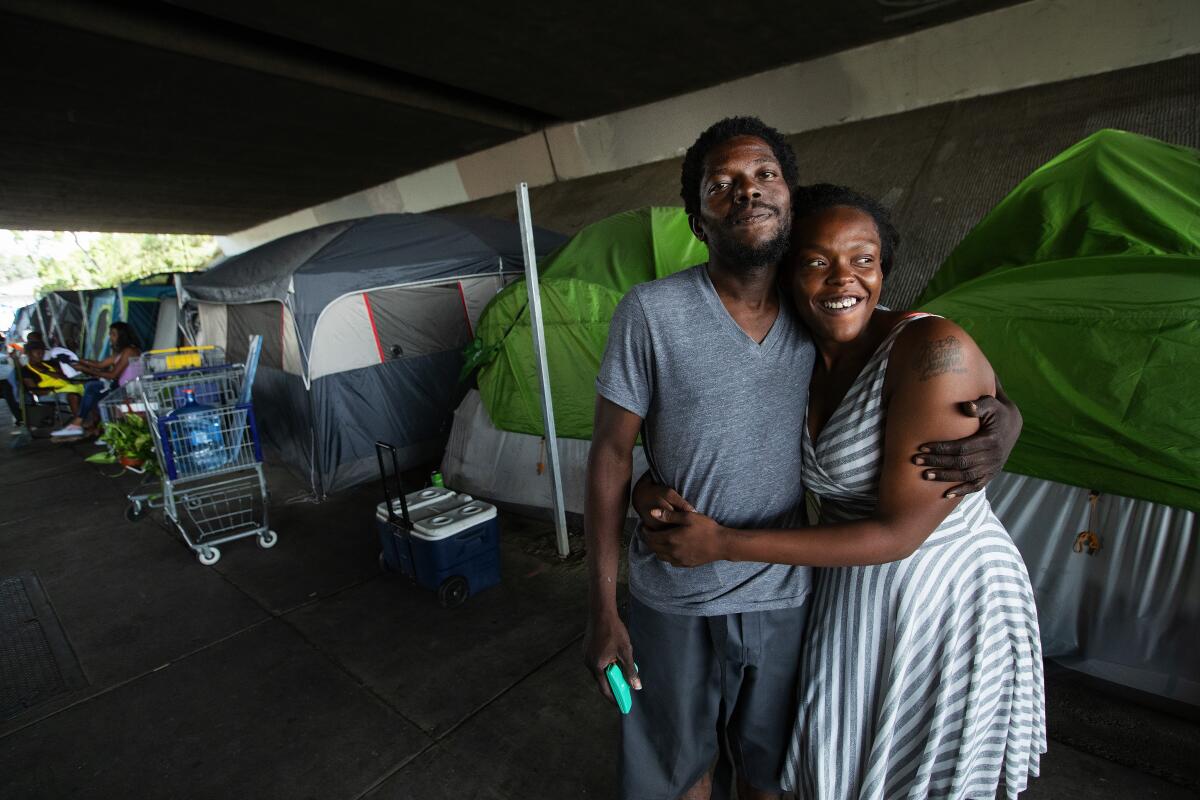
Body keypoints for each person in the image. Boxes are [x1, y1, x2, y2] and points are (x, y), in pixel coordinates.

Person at [585, 117, 1023, 800]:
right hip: (683, 592)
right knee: (679, 772)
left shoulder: (827, 315)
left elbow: (930, 356)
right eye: (721, 184)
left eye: (764, 176)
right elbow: (616, 452)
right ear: (697, 220)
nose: (747, 192)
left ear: (788, 201)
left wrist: (1008, 416)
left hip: (805, 596)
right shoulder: (663, 312)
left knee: (780, 773)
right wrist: (604, 603)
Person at [51, 322, 142, 439]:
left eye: (113, 334)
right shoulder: (123, 352)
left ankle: (84, 426)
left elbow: (112, 375)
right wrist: (75, 360)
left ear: (122, 335)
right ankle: (92, 427)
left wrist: (84, 368)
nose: (110, 337)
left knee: (92, 388)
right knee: (92, 389)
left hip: (129, 391)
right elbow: (99, 364)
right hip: (121, 388)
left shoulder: (130, 351)